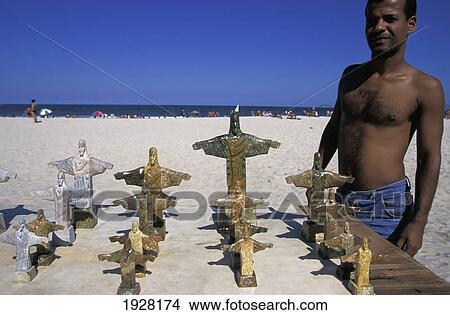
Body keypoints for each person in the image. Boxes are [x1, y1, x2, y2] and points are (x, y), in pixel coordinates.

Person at [318, 0, 444, 257]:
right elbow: (334, 128)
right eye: (371, 20)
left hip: (386, 208)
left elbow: (429, 157)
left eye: (389, 18)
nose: (379, 27)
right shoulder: (350, 77)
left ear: (411, 24)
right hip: (343, 199)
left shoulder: (425, 87)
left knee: (375, 284)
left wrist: (418, 222)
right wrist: (315, 175)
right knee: (337, 280)